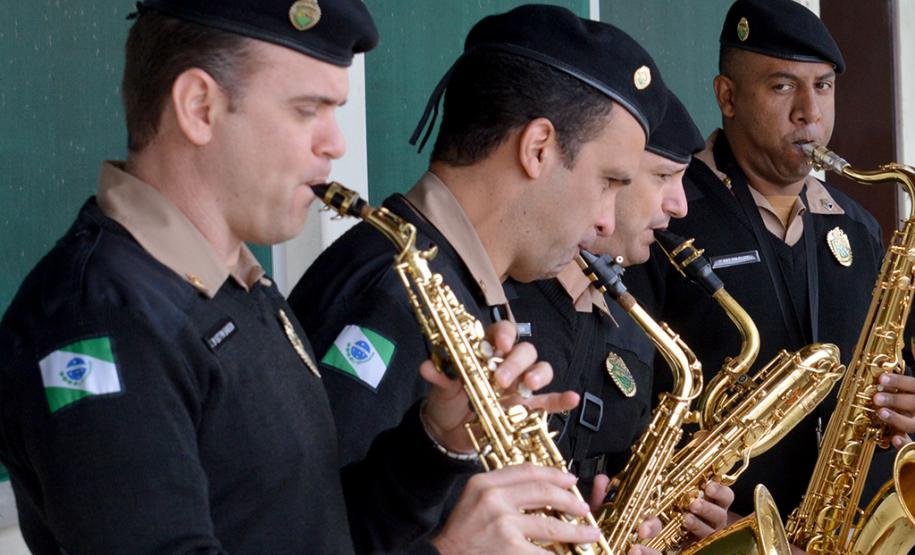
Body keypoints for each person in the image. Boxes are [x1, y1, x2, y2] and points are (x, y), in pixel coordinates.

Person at [0, 1, 608, 553]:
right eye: (307, 110)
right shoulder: (99, 316)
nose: (336, 144)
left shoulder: (239, 286)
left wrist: (438, 438)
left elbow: (321, 530)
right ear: (199, 107)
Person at [289, 5, 670, 552]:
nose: (608, 220)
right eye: (609, 181)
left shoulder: (461, 283)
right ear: (537, 147)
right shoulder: (393, 291)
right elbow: (316, 535)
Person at [626, 0, 915, 517]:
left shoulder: (858, 226)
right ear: (727, 96)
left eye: (823, 86)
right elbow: (630, 405)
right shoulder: (663, 216)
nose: (810, 111)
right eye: (783, 86)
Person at [506, 89, 734, 542]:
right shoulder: (499, 300)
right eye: (664, 177)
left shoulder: (631, 329)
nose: (680, 206)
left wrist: (671, 524)